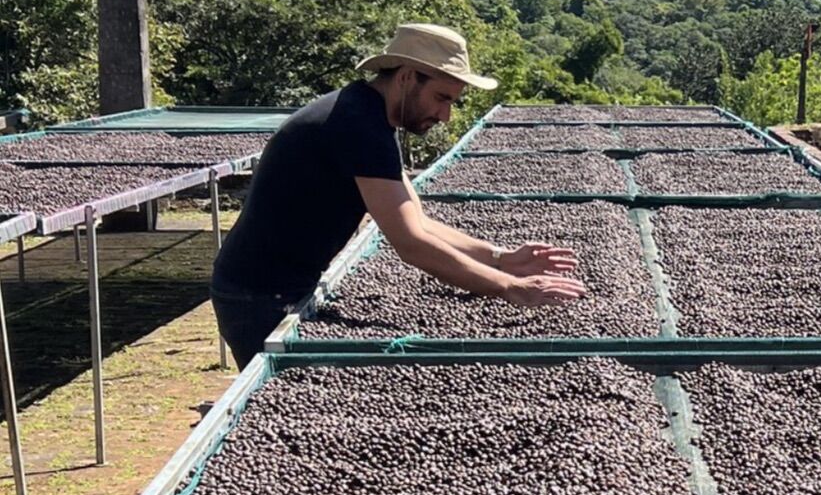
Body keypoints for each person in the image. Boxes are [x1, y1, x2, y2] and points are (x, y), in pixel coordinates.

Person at [210, 23, 585, 367]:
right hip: (258, 297)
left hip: (273, 287)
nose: (445, 115)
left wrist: (501, 258)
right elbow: (410, 243)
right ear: (407, 78)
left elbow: (418, 220)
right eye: (441, 97)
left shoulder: (369, 114)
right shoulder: (358, 125)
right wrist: (510, 288)